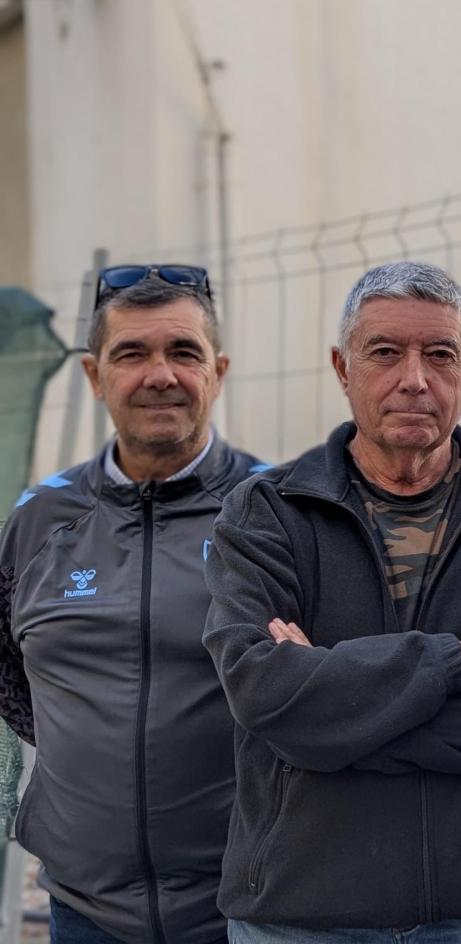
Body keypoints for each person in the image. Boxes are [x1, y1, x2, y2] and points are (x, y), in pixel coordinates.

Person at [202, 261, 461, 944]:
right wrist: (453, 660)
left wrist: (335, 715)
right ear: (342, 368)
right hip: (302, 912)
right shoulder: (266, 512)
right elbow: (263, 692)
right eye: (384, 352)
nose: (414, 378)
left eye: (440, 355)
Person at [0, 265, 263, 943]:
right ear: (94, 376)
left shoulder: (279, 512)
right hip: (84, 913)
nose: (160, 374)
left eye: (183, 352)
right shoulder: (39, 518)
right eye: (131, 354)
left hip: (251, 908)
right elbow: (12, 676)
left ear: (219, 370)